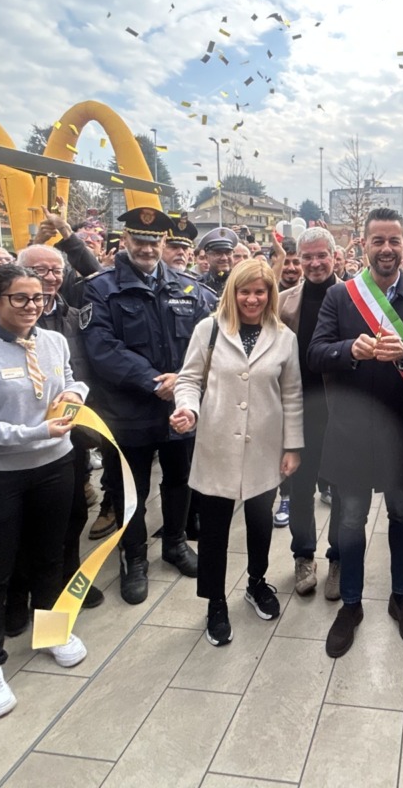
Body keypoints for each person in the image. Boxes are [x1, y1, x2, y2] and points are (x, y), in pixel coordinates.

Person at [0, 263, 90, 719]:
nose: (32, 307)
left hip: (55, 466)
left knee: (50, 556)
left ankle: (51, 630)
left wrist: (76, 395)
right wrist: (36, 432)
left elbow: (67, 380)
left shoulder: (53, 340)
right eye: (20, 299)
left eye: (39, 298)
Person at [308, 207, 403, 659]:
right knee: (348, 522)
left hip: (402, 435)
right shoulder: (341, 296)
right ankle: (350, 604)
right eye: (378, 241)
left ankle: (401, 597)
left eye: (394, 241)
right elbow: (315, 353)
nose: (387, 249)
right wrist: (349, 349)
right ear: (363, 245)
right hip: (350, 434)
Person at [81, 208, 217, 603]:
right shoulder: (101, 288)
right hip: (128, 412)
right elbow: (102, 349)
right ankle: (134, 557)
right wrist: (155, 381)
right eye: (138, 240)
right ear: (124, 240)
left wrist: (184, 381)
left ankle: (174, 544)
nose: (146, 248)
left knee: (180, 481)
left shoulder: (188, 287)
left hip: (180, 407)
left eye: (153, 241)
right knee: (131, 491)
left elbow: (208, 340)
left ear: (163, 242)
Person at [171, 260, 303, 646]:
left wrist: (293, 446)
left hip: (265, 448)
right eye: (245, 291)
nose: (252, 298)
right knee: (213, 532)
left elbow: (292, 394)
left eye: (260, 291)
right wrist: (187, 409)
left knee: (261, 525)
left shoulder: (283, 337)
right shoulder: (209, 329)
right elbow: (190, 379)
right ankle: (214, 601)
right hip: (217, 446)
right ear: (232, 291)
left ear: (269, 294)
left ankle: (257, 581)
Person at [278, 226, 342, 596]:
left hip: (343, 410)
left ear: (335, 256)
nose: (315, 263)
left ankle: (337, 558)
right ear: (299, 260)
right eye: (308, 257)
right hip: (300, 410)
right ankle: (304, 557)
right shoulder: (285, 301)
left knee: (343, 490)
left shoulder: (355, 297)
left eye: (322, 255)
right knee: (300, 489)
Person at [197, 226, 238, 296]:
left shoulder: (242, 281)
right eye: (218, 253)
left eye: (228, 253)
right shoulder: (198, 284)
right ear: (207, 257)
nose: (224, 258)